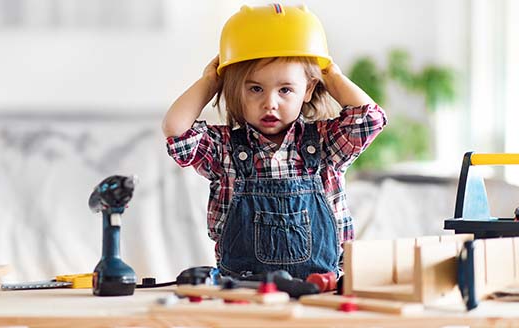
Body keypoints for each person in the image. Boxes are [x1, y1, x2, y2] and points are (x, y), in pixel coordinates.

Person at [162, 4, 387, 280]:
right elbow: (177, 130)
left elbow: (369, 120)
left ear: (309, 89)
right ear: (235, 89)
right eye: (255, 88)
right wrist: (210, 81)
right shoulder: (224, 149)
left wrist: (330, 74)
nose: (270, 103)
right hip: (243, 292)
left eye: (285, 89)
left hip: (321, 290)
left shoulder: (327, 145)